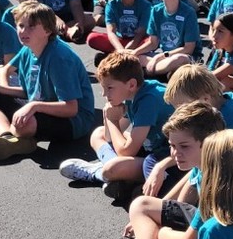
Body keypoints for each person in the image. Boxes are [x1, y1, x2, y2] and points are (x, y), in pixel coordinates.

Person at [117, 102, 228, 239]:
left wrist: (160, 232)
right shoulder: (204, 162)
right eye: (172, 146)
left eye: (184, 146)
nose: (175, 153)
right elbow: (184, 197)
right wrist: (159, 217)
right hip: (205, 232)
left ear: (210, 142)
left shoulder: (219, 183)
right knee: (140, 205)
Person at [0, 2, 95, 161]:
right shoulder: (28, 48)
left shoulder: (59, 58)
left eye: (31, 26)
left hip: (73, 121)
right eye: (20, 25)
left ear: (47, 30)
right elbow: (27, 92)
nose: (23, 31)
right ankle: (8, 136)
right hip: (41, 107)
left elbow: (71, 108)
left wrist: (34, 106)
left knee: (27, 121)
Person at [59, 51, 174, 197]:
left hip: (163, 160)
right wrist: (109, 117)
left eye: (109, 88)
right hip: (147, 147)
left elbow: (126, 152)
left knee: (111, 168)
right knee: (98, 133)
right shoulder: (131, 93)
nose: (104, 94)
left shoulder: (149, 100)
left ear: (131, 84)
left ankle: (98, 173)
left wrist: (112, 120)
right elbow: (108, 137)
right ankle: (117, 180)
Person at [87, 0, 152, 62]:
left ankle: (111, 58)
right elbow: (111, 31)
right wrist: (120, 49)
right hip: (119, 40)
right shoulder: (112, 5)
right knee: (92, 38)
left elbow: (140, 33)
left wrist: (128, 49)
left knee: (152, 41)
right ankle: (127, 59)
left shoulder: (146, 6)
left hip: (138, 41)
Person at [142, 0, 198, 79]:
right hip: (163, 58)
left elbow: (188, 49)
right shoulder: (155, 11)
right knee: (136, 57)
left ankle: (148, 72)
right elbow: (153, 43)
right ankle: (163, 72)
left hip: (184, 57)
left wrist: (161, 56)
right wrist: (133, 53)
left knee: (180, 59)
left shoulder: (188, 13)